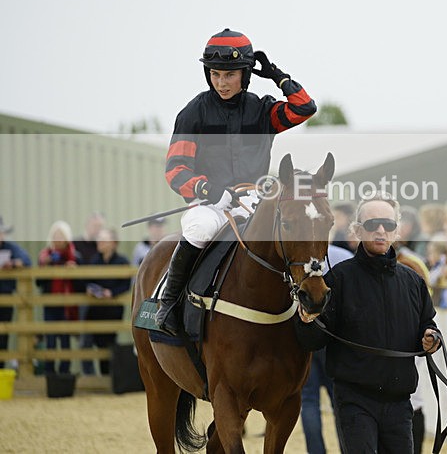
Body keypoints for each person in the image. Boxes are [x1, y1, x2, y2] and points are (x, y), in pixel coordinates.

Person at [157, 28, 317, 335]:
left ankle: (303, 307)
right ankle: (168, 304)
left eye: (229, 75)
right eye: (215, 74)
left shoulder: (262, 110)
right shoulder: (193, 114)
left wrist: (278, 76)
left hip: (256, 200)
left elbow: (304, 108)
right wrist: (209, 189)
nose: (221, 82)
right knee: (199, 228)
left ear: (245, 75)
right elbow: (176, 170)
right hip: (210, 203)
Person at [294, 192, 441, 453]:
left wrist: (431, 338)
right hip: (355, 400)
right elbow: (314, 340)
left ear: (396, 231)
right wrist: (306, 319)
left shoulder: (413, 282)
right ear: (358, 230)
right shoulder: (338, 279)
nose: (381, 231)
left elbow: (427, 324)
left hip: (399, 402)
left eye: (389, 225)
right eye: (372, 225)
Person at [300, 244, 353, 454]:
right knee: (338, 401)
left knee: (309, 401)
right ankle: (346, 449)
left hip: (307, 335)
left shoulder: (299, 256)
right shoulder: (344, 257)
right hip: (334, 339)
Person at [79, 228, 131, 375]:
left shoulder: (122, 261)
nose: (99, 242)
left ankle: (110, 377)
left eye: (104, 240)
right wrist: (90, 289)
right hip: (96, 310)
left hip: (112, 310)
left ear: (113, 243)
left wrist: (112, 293)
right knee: (93, 343)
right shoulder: (94, 260)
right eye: (99, 239)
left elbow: (126, 284)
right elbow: (86, 280)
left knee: (109, 343)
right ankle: (95, 377)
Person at [37, 220, 80, 374]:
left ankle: (64, 372)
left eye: (61, 235)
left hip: (67, 305)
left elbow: (80, 283)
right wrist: (45, 267)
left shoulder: (75, 257)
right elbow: (38, 282)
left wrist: (73, 270)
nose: (58, 238)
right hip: (50, 304)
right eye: (55, 235)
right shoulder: (44, 256)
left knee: (65, 339)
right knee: (50, 340)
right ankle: (49, 372)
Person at [0, 216, 32, 368]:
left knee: (2, 337)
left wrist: (13, 264)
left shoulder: (11, 249)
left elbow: (26, 260)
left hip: (6, 299)